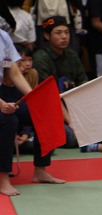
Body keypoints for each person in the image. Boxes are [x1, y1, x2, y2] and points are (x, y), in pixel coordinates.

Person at [1, 28, 65, 197]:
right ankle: (3, 178)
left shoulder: (3, 36)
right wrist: (1, 104)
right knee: (8, 119)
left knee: (42, 112)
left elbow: (14, 73)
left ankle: (40, 170)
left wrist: (33, 98)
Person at [33, 15, 87, 148]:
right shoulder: (40, 58)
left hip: (74, 108)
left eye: (66, 32)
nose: (64, 37)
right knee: (71, 138)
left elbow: (83, 83)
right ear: (47, 36)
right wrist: (71, 122)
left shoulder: (72, 55)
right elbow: (50, 96)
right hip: (52, 112)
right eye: (58, 33)